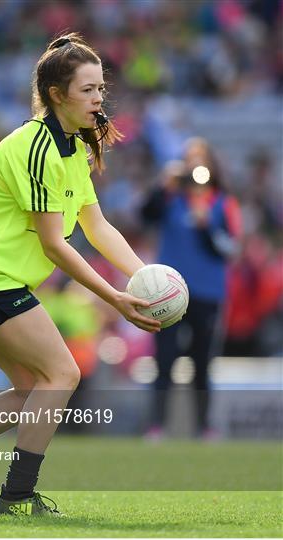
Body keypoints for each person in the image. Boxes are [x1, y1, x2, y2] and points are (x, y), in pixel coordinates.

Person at [0, 33, 161, 517]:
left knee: (32, 386)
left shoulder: (73, 150)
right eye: (87, 90)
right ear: (55, 95)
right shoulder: (38, 147)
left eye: (101, 89)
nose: (98, 99)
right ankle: (17, 497)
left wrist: (144, 276)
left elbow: (96, 225)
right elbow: (53, 243)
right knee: (62, 373)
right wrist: (115, 297)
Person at [141, 138, 242, 439]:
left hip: (207, 294)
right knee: (164, 360)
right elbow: (145, 215)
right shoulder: (171, 197)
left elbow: (231, 248)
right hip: (167, 295)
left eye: (201, 160)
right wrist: (162, 186)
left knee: (202, 362)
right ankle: (157, 426)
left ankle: (204, 427)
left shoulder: (223, 203)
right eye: (189, 160)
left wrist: (207, 227)